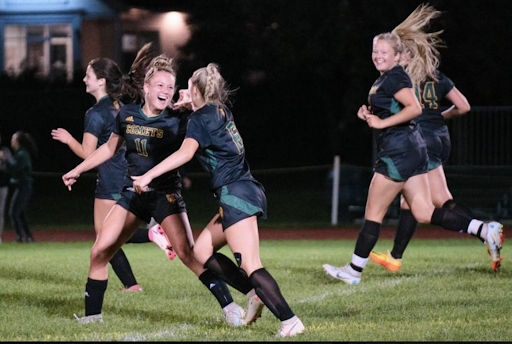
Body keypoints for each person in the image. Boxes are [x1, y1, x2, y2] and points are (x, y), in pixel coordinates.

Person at [322, 6, 503, 285]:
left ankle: (354, 271)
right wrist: (370, 116)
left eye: (384, 51)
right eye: (375, 51)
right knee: (423, 212)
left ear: (398, 56)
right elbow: (397, 109)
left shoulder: (394, 76)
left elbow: (414, 108)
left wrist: (381, 124)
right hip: (413, 150)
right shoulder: (388, 78)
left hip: (398, 152)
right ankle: (482, 228)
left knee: (373, 214)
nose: (378, 55)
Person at [63, 54, 245, 326]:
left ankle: (230, 307)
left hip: (165, 196)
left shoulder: (180, 118)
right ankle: (92, 317)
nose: (166, 91)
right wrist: (78, 169)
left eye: (170, 87)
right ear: (146, 87)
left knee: (187, 254)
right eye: (160, 85)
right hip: (132, 195)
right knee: (99, 251)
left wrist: (191, 106)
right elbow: (109, 148)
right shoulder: (126, 114)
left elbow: (209, 117)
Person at [131, 63, 305, 337]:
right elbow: (204, 124)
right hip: (241, 190)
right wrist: (189, 105)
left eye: (188, 85)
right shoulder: (219, 109)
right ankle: (252, 294)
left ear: (198, 89)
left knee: (250, 264)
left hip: (236, 193)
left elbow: (185, 154)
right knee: (202, 252)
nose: (182, 90)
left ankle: (289, 320)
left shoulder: (202, 118)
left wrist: (147, 176)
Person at [51, 51, 175, 293]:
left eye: (88, 75)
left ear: (101, 81)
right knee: (109, 236)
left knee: (104, 236)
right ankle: (132, 284)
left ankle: (151, 235)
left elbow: (89, 153)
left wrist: (68, 140)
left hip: (109, 178)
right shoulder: (122, 106)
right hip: (127, 174)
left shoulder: (95, 113)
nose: (84, 79)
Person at [0, 131, 37, 243]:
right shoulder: (20, 154)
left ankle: (20, 237)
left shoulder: (22, 154)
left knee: (13, 213)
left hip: (24, 187)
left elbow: (15, 168)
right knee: (20, 213)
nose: (11, 141)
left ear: (18, 141)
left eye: (13, 139)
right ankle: (29, 237)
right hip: (22, 186)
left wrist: (4, 159)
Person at [0, 133, 11, 243]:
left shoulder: (5, 151)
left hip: (2, 185)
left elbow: (12, 166)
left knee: (0, 212)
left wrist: (4, 160)